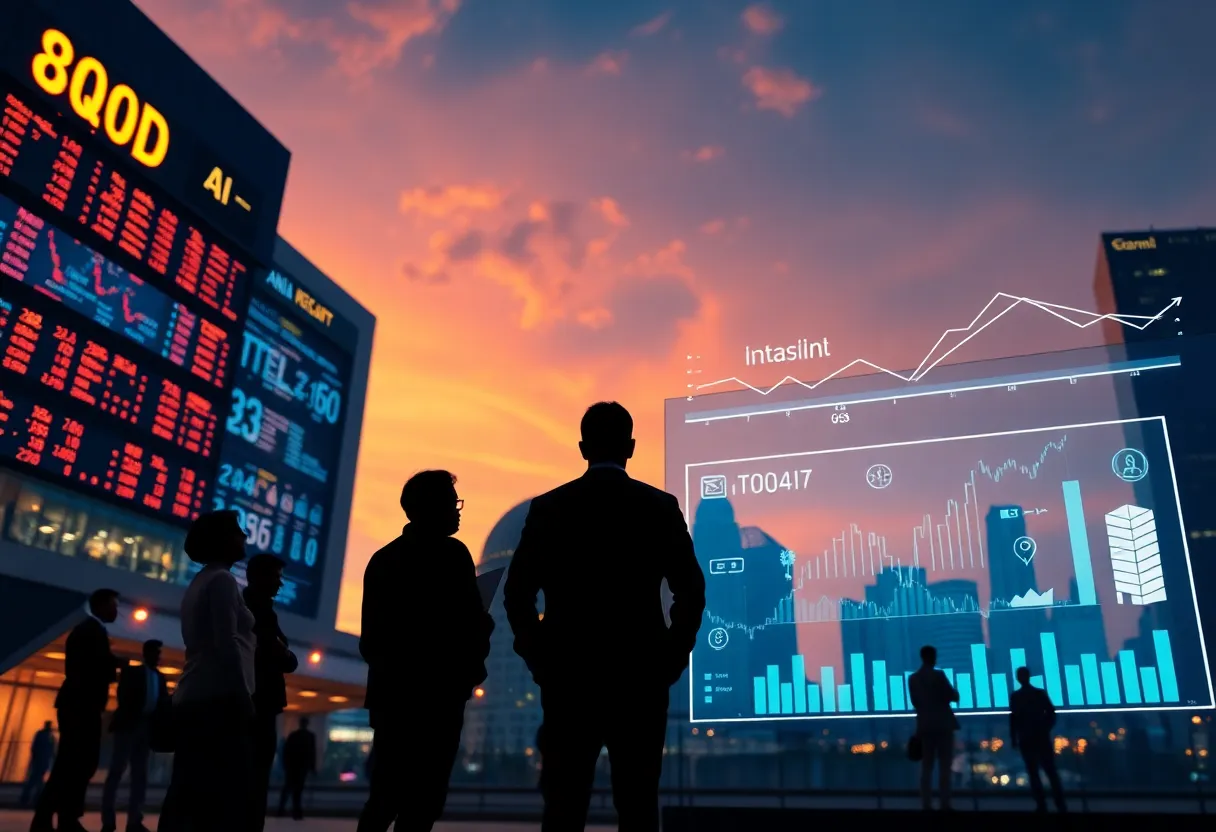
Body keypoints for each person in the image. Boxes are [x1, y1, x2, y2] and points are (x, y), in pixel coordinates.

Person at [503, 401, 706, 832]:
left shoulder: (549, 508)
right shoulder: (659, 507)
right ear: (631, 447)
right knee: (638, 805)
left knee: (563, 805)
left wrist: (541, 658)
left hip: (568, 678)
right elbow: (691, 590)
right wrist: (671, 657)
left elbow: (517, 593)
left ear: (582, 448)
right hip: (641, 678)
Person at [357, 470, 494, 832]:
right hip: (440, 701)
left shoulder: (382, 560)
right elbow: (468, 626)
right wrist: (481, 632)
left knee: (384, 797)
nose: (458, 511)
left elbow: (370, 641)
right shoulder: (453, 556)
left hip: (393, 701)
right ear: (433, 508)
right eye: (453, 503)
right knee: (424, 803)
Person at [157, 510, 257, 832]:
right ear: (223, 540)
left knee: (188, 788)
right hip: (218, 698)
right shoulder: (223, 581)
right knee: (220, 792)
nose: (244, 537)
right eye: (238, 531)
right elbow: (225, 642)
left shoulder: (201, 582)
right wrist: (242, 695)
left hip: (196, 694)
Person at [32, 588, 123, 832]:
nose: (117, 611)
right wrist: (116, 666)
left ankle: (62, 818)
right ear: (101, 606)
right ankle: (58, 818)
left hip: (79, 705)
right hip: (81, 707)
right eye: (114, 605)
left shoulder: (90, 631)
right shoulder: (90, 631)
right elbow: (95, 666)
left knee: (74, 765)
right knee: (74, 764)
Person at [244, 554, 299, 831]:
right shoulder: (255, 611)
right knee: (253, 781)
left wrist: (284, 652)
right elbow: (282, 656)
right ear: (260, 577)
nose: (280, 584)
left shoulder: (262, 609)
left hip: (259, 705)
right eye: (276, 577)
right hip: (257, 706)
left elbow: (286, 656)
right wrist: (283, 652)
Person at [101, 639, 169, 832]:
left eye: (159, 653)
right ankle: (108, 820)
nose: (158, 656)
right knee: (117, 772)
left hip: (146, 728)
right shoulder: (132, 673)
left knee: (140, 775)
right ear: (146, 653)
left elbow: (162, 704)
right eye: (155, 652)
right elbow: (124, 696)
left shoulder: (160, 678)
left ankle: (134, 820)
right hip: (129, 726)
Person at [908, 644, 960, 811]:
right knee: (945, 767)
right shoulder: (939, 676)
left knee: (926, 768)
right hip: (943, 725)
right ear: (932, 657)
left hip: (925, 726)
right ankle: (945, 803)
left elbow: (915, 703)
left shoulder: (913, 679)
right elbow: (953, 695)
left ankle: (926, 804)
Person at [1009, 666, 1067, 812]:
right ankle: (1059, 804)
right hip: (1039, 737)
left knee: (1035, 772)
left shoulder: (1016, 696)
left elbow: (1014, 719)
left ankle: (1042, 804)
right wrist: (1046, 727)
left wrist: (1014, 738)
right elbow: (1051, 712)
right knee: (1049, 771)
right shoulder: (1038, 694)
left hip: (1027, 738)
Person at [278, 718, 317, 820]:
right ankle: (296, 812)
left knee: (288, 788)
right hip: (302, 767)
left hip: (292, 766)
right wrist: (312, 768)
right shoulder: (310, 737)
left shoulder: (293, 735)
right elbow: (312, 753)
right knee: (298, 790)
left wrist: (286, 765)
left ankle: (281, 810)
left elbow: (286, 751)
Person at [20, 722, 56, 808]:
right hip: (41, 762)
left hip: (41, 762)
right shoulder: (49, 736)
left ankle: (29, 798)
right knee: (36, 781)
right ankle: (32, 799)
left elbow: (35, 748)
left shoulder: (45, 735)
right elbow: (50, 751)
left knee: (36, 781)